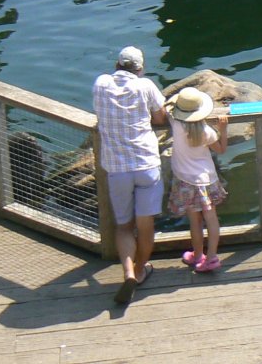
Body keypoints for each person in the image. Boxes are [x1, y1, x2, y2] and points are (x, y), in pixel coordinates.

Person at [93, 46, 167, 307]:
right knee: (145, 226)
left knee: (124, 226)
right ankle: (140, 269)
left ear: (116, 65)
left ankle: (127, 273)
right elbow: (161, 116)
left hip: (117, 169)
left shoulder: (101, 83)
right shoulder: (145, 85)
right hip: (146, 164)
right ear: (140, 68)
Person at [165, 86, 229, 273]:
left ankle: (198, 254)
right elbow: (221, 149)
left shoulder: (176, 125)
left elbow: (166, 108)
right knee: (211, 218)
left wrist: (174, 103)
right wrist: (223, 129)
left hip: (185, 180)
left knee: (195, 220)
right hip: (207, 179)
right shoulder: (206, 131)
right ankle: (212, 258)